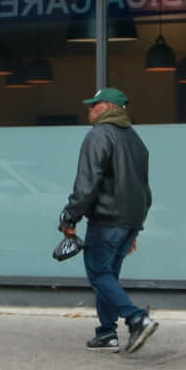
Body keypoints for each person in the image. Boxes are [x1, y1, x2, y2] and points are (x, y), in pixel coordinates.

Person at [59, 86, 157, 353]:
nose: (89, 110)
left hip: (108, 217)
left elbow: (88, 183)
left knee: (99, 273)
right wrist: (134, 229)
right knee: (108, 274)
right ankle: (106, 332)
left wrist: (70, 216)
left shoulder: (99, 135)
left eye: (93, 105)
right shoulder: (136, 140)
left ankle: (137, 318)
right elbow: (143, 187)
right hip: (131, 218)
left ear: (106, 108)